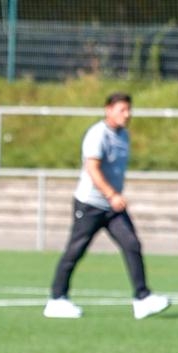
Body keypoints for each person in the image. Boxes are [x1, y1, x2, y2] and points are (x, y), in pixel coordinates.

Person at [44, 91, 170, 321]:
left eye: (129, 110)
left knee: (131, 244)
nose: (127, 114)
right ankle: (56, 299)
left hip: (112, 207)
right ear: (108, 110)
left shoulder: (124, 135)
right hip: (90, 204)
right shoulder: (97, 134)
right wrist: (112, 194)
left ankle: (142, 298)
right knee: (76, 250)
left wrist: (113, 198)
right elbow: (92, 168)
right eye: (122, 110)